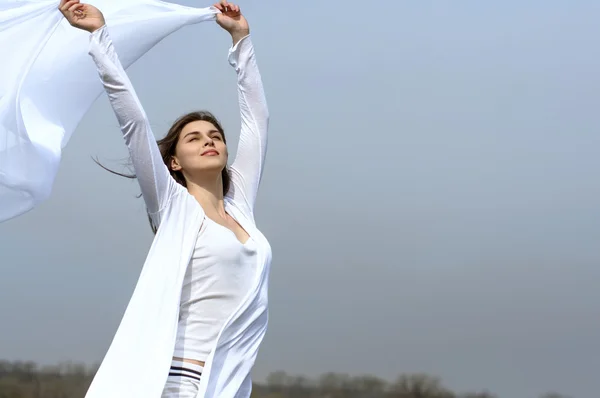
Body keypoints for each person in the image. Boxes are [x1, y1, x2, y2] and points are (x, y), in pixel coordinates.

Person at [58, 1, 272, 397]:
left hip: (228, 384)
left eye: (215, 135)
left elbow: (257, 121)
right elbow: (134, 123)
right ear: (173, 162)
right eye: (194, 138)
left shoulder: (241, 206)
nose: (209, 139)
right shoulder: (174, 207)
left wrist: (240, 39)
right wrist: (98, 37)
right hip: (179, 383)